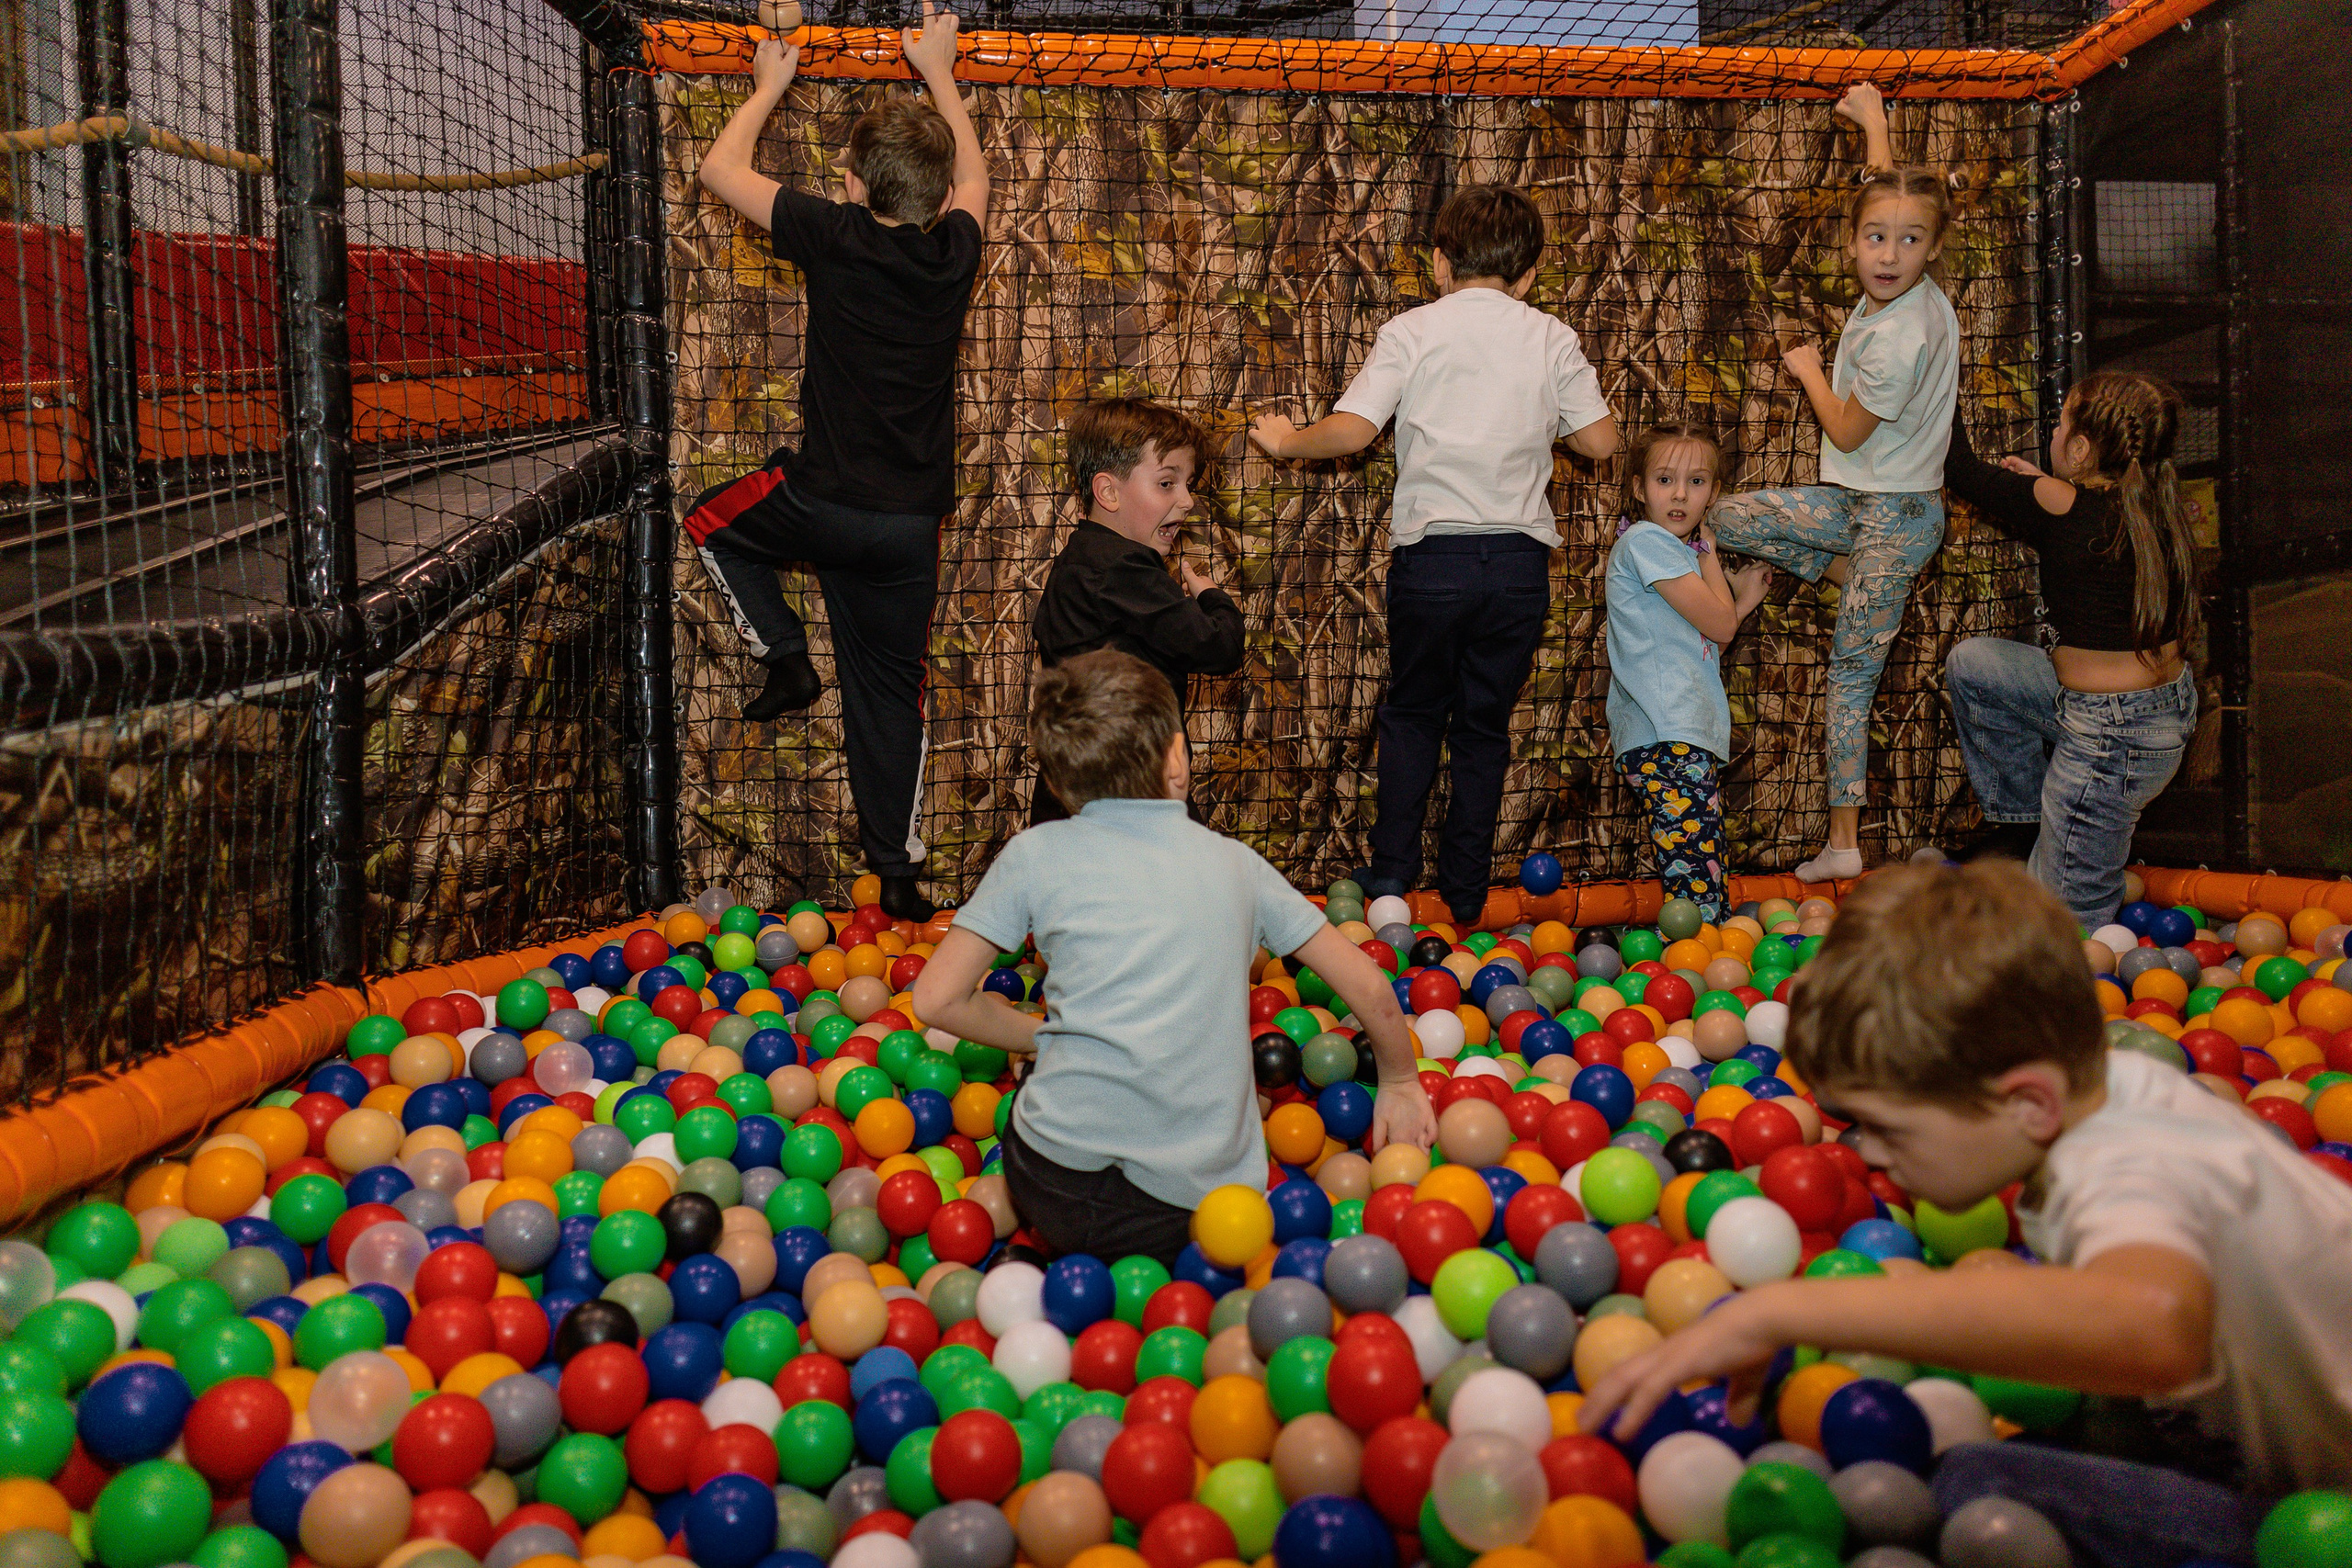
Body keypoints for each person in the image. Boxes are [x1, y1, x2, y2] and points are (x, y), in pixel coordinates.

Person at [1577, 861, 2352, 1568]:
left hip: (2326, 1519)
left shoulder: (2121, 1160)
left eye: (1892, 1126)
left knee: (1967, 1483)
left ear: (2028, 1102)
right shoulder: (2115, 1091)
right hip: (2275, 1453)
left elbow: (2155, 1325)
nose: (1870, 1155)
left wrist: (1785, 1309)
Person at [910, 649, 1437, 1268]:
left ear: (1056, 783)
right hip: (1196, 1208)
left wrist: (1041, 1035)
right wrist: (1400, 1079)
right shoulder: (1237, 864)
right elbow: (1368, 983)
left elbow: (934, 999)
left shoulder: (1033, 853)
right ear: (1178, 757)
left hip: (1051, 1181)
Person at [684, 4, 988, 921]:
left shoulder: (833, 233)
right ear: (934, 201)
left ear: (851, 184)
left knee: (711, 522)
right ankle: (897, 873)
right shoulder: (953, 253)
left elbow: (717, 170)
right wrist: (939, 71)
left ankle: (784, 655)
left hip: (821, 505)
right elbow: (976, 176)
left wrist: (769, 86)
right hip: (905, 531)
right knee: (890, 692)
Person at [1247, 184, 1618, 927]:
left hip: (1435, 560)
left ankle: (1390, 882)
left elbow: (1352, 431)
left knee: (1415, 714)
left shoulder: (1412, 330)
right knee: (1482, 726)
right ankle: (1468, 895)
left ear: (1441, 263)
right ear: (1531, 274)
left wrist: (1287, 441)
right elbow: (1603, 444)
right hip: (1517, 567)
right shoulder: (1552, 336)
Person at [1707, 83, 1960, 883]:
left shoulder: (1902, 336)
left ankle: (1844, 841)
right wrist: (1876, 130)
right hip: (1854, 508)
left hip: (1898, 515)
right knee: (1728, 518)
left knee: (1850, 676)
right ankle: (1852, 576)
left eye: (1909, 242)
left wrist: (1810, 371)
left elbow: (1846, 429)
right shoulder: (1901, 283)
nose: (1889, 254)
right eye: (1876, 239)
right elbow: (1891, 201)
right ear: (1855, 242)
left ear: (1933, 252)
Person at [1938, 371, 2199, 931]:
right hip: (2151, 710)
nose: (2053, 433)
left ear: (2080, 451)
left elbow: (1957, 468)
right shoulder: (2158, 503)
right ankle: (2026, 822)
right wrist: (2047, 485)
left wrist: (1937, 363)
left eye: (2060, 425)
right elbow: (2084, 530)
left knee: (2058, 926)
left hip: (2112, 741)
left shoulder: (2063, 505)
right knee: (1975, 666)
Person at [1028, 399, 1244, 826]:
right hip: (1130, 794)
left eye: (1188, 483)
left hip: (1074, 789)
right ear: (1108, 492)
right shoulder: (1123, 569)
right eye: (1167, 483)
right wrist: (1213, 599)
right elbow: (1219, 648)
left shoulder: (1079, 559)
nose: (1186, 501)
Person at [1604, 420, 1772, 920]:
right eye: (1664, 480)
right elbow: (1719, 627)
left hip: (1677, 734)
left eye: (1696, 482)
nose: (1680, 494)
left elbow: (1697, 640)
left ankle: (1702, 950)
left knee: (1702, 859)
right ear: (1639, 488)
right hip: (1666, 735)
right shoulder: (1648, 542)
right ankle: (1696, 961)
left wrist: (1739, 604)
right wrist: (1713, 559)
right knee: (1698, 873)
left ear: (1713, 491)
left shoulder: (1668, 551)